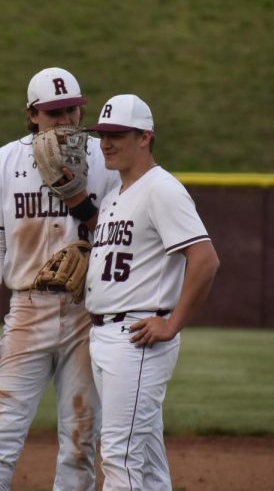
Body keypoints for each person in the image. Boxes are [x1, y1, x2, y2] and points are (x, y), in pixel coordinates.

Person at [0, 67, 121, 490]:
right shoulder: (4, 161)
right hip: (27, 309)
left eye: (72, 109)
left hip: (86, 313)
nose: (66, 119)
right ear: (32, 115)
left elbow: (117, 237)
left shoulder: (104, 161)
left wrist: (81, 203)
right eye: (54, 113)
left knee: (81, 440)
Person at [83, 94, 220, 490]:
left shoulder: (162, 189)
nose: (106, 143)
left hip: (136, 338)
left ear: (145, 137)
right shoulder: (114, 195)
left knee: (119, 457)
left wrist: (173, 322)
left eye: (117, 135)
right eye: (103, 134)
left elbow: (205, 259)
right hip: (105, 337)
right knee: (147, 465)